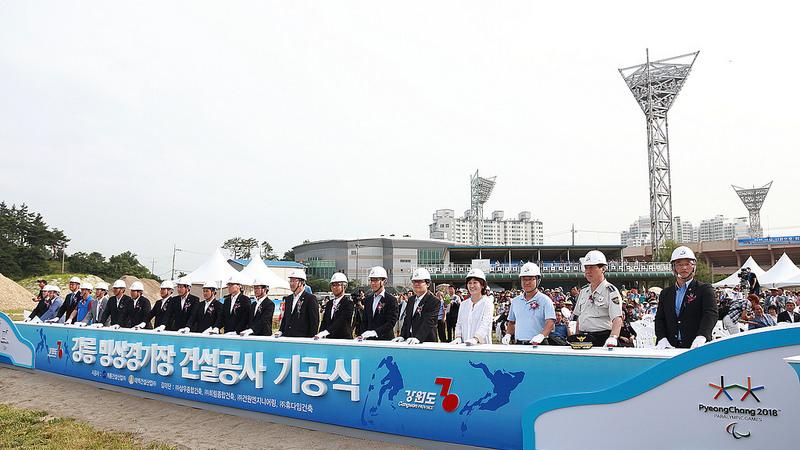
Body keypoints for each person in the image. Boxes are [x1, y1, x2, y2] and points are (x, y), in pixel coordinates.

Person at [655, 246, 717, 349]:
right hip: (670, 346)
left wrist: (702, 335)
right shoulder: (665, 293)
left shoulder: (704, 289)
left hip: (697, 346)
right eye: (679, 264)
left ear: (694, 266)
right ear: (673, 267)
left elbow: (711, 314)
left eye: (688, 264)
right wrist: (662, 338)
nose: (684, 268)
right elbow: (660, 319)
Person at [573, 250, 623, 347]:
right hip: (583, 338)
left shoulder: (611, 291)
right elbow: (579, 317)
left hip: (602, 338)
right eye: (586, 267)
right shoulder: (583, 291)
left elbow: (617, 318)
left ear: (603, 269)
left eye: (592, 267)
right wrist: (576, 336)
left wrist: (613, 337)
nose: (588, 271)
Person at [502, 262, 555, 346]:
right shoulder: (515, 301)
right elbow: (511, 322)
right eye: (524, 279)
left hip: (539, 344)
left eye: (530, 279)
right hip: (519, 344)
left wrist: (542, 335)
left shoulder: (545, 300)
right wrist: (508, 334)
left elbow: (550, 322)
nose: (527, 283)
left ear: (538, 280)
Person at [394, 268, 438, 344]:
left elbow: (429, 321)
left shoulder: (433, 301)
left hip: (426, 341)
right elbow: (407, 320)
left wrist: (418, 338)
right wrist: (402, 335)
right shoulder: (411, 300)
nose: (416, 284)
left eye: (420, 281)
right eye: (414, 282)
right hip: (409, 340)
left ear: (428, 284)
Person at [450, 269, 494, 345]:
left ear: (482, 285)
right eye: (469, 283)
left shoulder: (487, 303)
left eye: (475, 283)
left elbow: (485, 324)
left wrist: (476, 339)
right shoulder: (463, 304)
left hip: (482, 346)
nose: (472, 286)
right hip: (464, 346)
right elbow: (459, 324)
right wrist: (458, 337)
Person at [356, 266, 398, 341]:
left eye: (376, 280)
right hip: (369, 341)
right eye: (371, 280)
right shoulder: (368, 300)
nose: (372, 283)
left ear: (384, 281)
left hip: (385, 341)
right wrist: (362, 334)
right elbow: (365, 321)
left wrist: (375, 332)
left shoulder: (391, 300)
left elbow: (391, 322)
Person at [276, 269, 319, 338]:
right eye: (290, 281)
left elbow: (314, 322)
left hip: (302, 339)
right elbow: (285, 319)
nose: (291, 284)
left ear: (301, 282)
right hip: (287, 337)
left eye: (294, 281)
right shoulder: (288, 299)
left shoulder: (310, 299)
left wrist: (311, 340)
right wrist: (280, 331)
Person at [315, 272, 354, 339]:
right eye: (333, 285)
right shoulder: (329, 304)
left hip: (343, 340)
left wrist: (326, 332)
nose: (334, 287)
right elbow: (324, 322)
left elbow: (341, 321)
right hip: (329, 339)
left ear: (344, 286)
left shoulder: (348, 303)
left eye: (337, 285)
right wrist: (320, 333)